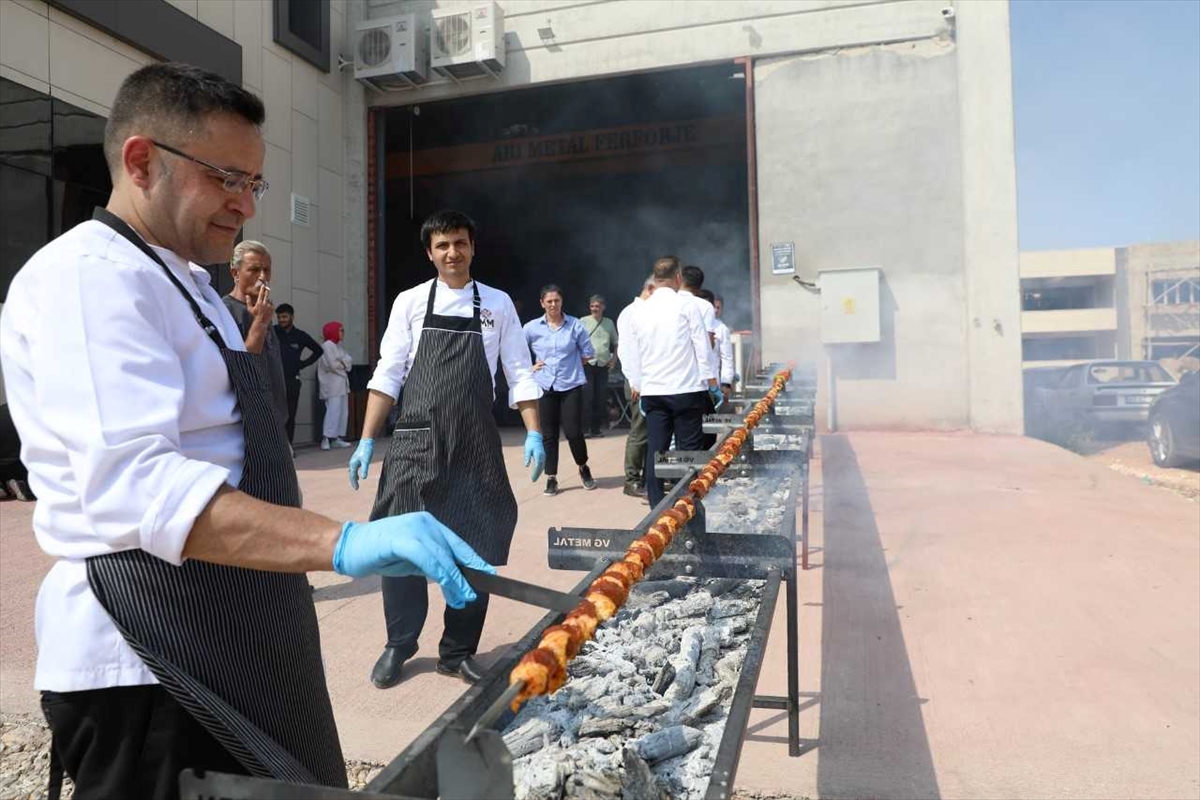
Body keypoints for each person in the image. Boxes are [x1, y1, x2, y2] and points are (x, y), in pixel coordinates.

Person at [0, 63, 492, 800]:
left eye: (253, 184)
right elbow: (136, 486)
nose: (245, 207)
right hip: (150, 660)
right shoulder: (90, 279)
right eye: (228, 179)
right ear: (142, 161)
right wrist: (343, 542)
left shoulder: (184, 278)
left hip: (231, 624)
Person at [346, 209, 545, 690]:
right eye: (442, 246)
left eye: (459, 243)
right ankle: (400, 643)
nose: (452, 252)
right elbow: (389, 372)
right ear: (429, 253)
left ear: (472, 247)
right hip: (415, 439)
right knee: (398, 545)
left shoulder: (497, 303)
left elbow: (518, 371)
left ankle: (457, 652)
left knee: (477, 545)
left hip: (476, 443)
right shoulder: (412, 302)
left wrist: (535, 431)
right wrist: (367, 439)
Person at [621, 257, 721, 508]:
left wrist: (637, 385)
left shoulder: (639, 310)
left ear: (655, 279)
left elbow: (631, 352)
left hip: (654, 393)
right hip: (686, 390)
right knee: (687, 452)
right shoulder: (688, 307)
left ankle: (657, 509)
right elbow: (701, 345)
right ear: (678, 277)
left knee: (658, 452)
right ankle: (687, 506)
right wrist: (711, 382)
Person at [524, 284, 597, 496]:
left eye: (556, 300)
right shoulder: (531, 328)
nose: (553, 305)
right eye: (549, 301)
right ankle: (551, 477)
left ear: (562, 301)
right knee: (548, 434)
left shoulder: (575, 325)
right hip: (545, 385)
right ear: (542, 303)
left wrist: (572, 365)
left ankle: (583, 467)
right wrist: (530, 367)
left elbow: (588, 353)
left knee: (573, 431)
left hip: (570, 384)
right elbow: (516, 351)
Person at [222, 240, 288, 431]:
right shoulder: (225, 311)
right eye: (254, 270)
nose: (262, 277)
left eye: (267, 270)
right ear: (235, 272)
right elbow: (242, 369)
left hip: (275, 421)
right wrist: (259, 323)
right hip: (247, 426)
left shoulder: (264, 309)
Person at [616, 275, 656, 498]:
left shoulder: (645, 312)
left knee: (649, 431)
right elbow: (627, 351)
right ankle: (631, 480)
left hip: (648, 380)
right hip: (637, 381)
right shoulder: (631, 312)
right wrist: (635, 382)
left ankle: (642, 478)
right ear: (649, 289)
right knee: (639, 432)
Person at [274, 303, 322, 444]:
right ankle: (276, 447)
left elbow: (318, 351)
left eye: (284, 316)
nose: (281, 320)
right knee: (274, 415)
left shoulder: (300, 336)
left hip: (292, 381)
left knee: (290, 415)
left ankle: (288, 447)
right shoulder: (272, 332)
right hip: (274, 380)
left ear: (292, 317)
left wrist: (301, 364)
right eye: (279, 317)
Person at [581, 294, 618, 438]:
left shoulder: (608, 323)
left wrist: (614, 360)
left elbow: (616, 343)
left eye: (597, 306)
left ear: (603, 307)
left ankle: (596, 429)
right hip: (587, 363)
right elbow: (575, 341)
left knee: (600, 397)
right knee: (587, 396)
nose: (594, 309)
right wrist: (579, 358)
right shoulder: (583, 321)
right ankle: (584, 429)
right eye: (592, 306)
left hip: (602, 363)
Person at [317, 321, 354, 450]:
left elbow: (349, 361)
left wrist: (343, 363)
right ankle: (326, 438)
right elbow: (333, 364)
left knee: (342, 411)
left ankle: (337, 437)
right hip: (331, 385)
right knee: (333, 411)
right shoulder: (327, 346)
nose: (342, 333)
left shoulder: (338, 346)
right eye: (340, 330)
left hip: (341, 384)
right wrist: (343, 363)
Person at [709, 291, 737, 404]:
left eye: (718, 307)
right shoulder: (695, 324)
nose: (715, 310)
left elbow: (727, 358)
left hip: (713, 384)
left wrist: (726, 383)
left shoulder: (722, 329)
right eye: (713, 307)